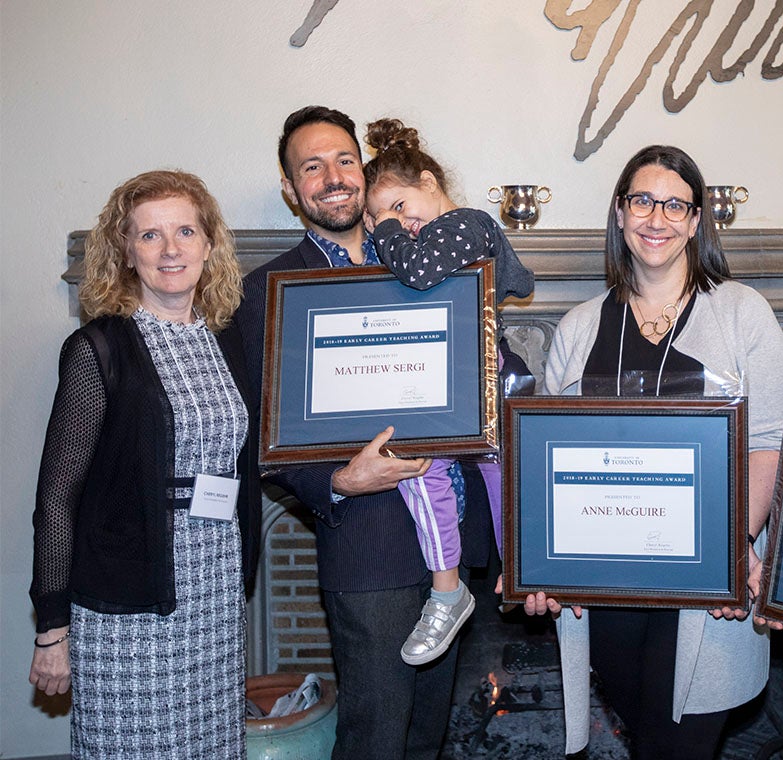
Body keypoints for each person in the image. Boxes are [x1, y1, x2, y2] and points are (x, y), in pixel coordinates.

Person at [231, 106, 497, 760]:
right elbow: (260, 435)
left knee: (428, 739)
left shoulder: (424, 257)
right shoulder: (266, 293)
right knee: (375, 740)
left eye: (343, 160)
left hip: (457, 547)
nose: (332, 177)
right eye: (311, 167)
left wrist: (495, 370)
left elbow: (485, 364)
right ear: (293, 190)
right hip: (369, 551)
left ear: (363, 167)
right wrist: (341, 481)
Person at [534, 145, 783, 759]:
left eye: (675, 204)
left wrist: (731, 546)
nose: (658, 217)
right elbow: (544, 461)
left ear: (697, 220)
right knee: (650, 738)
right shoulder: (577, 327)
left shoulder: (741, 314)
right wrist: (540, 566)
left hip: (705, 595)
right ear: (620, 214)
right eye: (643, 201)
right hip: (605, 591)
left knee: (681, 746)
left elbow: (768, 444)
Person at [28, 170, 260, 759]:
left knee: (210, 746)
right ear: (126, 252)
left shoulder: (228, 340)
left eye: (185, 230)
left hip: (216, 589)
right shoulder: (99, 348)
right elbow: (58, 495)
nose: (171, 249)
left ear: (210, 244)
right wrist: (52, 626)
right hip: (130, 597)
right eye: (150, 236)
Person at [361, 117, 535, 666]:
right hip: (427, 383)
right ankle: (447, 590)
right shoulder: (415, 246)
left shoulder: (468, 223)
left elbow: (419, 270)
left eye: (401, 207)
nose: (398, 226)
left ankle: (524, 566)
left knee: (502, 470)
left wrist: (383, 229)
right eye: (381, 219)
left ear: (431, 183)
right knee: (419, 472)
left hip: (481, 375)